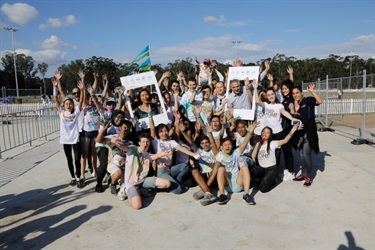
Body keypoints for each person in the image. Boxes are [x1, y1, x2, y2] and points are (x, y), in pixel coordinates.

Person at [117, 133, 172, 210]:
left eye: (147, 142)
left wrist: (164, 153)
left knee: (167, 183)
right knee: (137, 206)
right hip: (131, 183)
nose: (145, 144)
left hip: (143, 181)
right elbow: (124, 147)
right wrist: (116, 142)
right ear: (139, 143)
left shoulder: (146, 154)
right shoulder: (133, 149)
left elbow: (152, 156)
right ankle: (126, 189)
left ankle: (140, 190)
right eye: (143, 142)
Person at [250, 124, 299, 204]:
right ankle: (264, 178)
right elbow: (253, 156)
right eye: (263, 132)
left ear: (270, 135)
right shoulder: (258, 144)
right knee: (249, 174)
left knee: (262, 189)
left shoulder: (273, 143)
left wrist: (292, 131)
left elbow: (285, 141)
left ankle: (273, 180)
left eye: (267, 133)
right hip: (261, 167)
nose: (265, 134)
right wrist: (257, 144)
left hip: (271, 169)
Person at [150, 119, 201, 194]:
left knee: (185, 166)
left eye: (165, 131)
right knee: (179, 190)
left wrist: (193, 154)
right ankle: (163, 186)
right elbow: (152, 129)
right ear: (158, 133)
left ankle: (176, 182)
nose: (164, 133)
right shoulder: (156, 142)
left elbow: (181, 149)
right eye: (161, 132)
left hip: (170, 169)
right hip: (162, 170)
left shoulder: (171, 142)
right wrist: (149, 115)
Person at [52, 72, 83, 187]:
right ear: (64, 106)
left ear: (73, 105)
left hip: (75, 139)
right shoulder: (61, 112)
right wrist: (55, 86)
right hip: (65, 140)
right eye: (66, 104)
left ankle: (79, 177)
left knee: (76, 159)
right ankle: (73, 177)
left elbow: (81, 102)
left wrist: (83, 89)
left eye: (70, 104)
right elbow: (56, 99)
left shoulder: (76, 112)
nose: (68, 105)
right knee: (69, 160)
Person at [216, 121, 258, 205]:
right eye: (225, 145)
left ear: (232, 146)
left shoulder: (236, 153)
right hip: (227, 185)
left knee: (244, 167)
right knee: (220, 169)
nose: (227, 146)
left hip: (238, 183)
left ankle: (246, 194)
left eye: (229, 144)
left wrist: (250, 132)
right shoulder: (219, 154)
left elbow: (245, 143)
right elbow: (215, 142)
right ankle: (222, 195)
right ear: (221, 147)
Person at [179, 122, 220, 206]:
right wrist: (183, 132)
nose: (205, 145)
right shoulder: (199, 151)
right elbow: (191, 142)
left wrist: (210, 133)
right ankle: (208, 193)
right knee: (194, 171)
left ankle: (204, 191)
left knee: (218, 163)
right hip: (204, 177)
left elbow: (213, 143)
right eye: (203, 143)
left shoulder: (214, 150)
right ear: (200, 145)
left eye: (207, 142)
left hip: (215, 177)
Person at [292, 84, 323, 187]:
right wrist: (295, 110)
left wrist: (312, 91)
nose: (295, 95)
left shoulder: (308, 100)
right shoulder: (295, 104)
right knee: (301, 155)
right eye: (293, 93)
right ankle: (303, 174)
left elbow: (320, 101)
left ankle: (309, 176)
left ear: (301, 93)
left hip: (309, 132)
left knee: (306, 155)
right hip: (300, 132)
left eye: (297, 93)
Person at [96, 119, 134, 195]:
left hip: (124, 166)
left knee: (127, 186)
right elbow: (98, 140)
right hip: (112, 164)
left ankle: (112, 178)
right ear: (120, 127)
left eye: (128, 128)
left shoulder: (130, 142)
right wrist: (103, 130)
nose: (126, 130)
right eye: (125, 127)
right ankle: (112, 184)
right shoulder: (113, 138)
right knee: (118, 173)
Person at [94, 110, 125, 193]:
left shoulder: (122, 126)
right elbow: (99, 139)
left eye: (122, 117)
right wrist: (104, 128)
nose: (120, 119)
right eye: (118, 117)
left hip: (113, 146)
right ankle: (99, 183)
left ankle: (111, 178)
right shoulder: (107, 123)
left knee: (117, 162)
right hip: (102, 145)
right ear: (113, 117)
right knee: (104, 164)